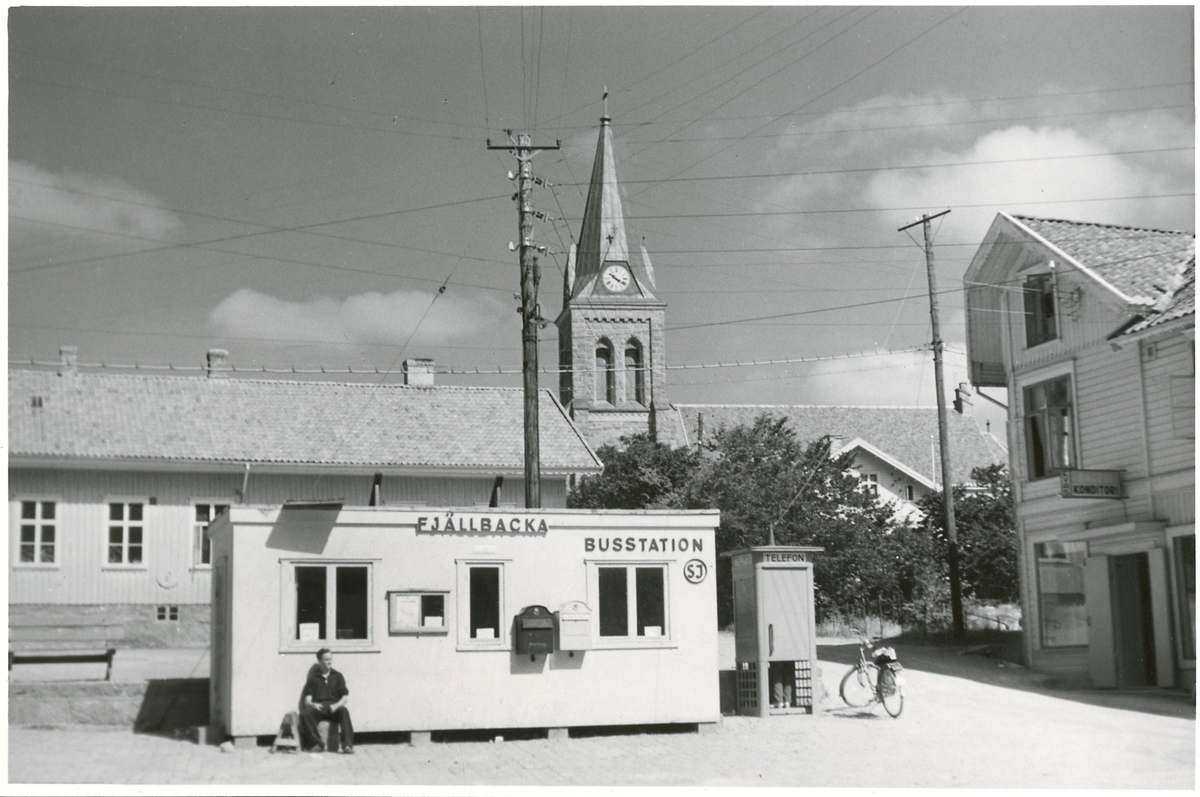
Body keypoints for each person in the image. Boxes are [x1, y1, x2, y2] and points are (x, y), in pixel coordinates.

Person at [299, 648, 354, 753]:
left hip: (334, 708)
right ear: (319, 661)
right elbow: (307, 700)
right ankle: (317, 744)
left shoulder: (338, 676)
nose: (329, 662)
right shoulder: (313, 679)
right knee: (305, 714)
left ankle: (347, 745)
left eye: (330, 659)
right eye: (326, 660)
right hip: (319, 708)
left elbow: (344, 698)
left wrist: (336, 706)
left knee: (344, 711)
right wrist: (313, 705)